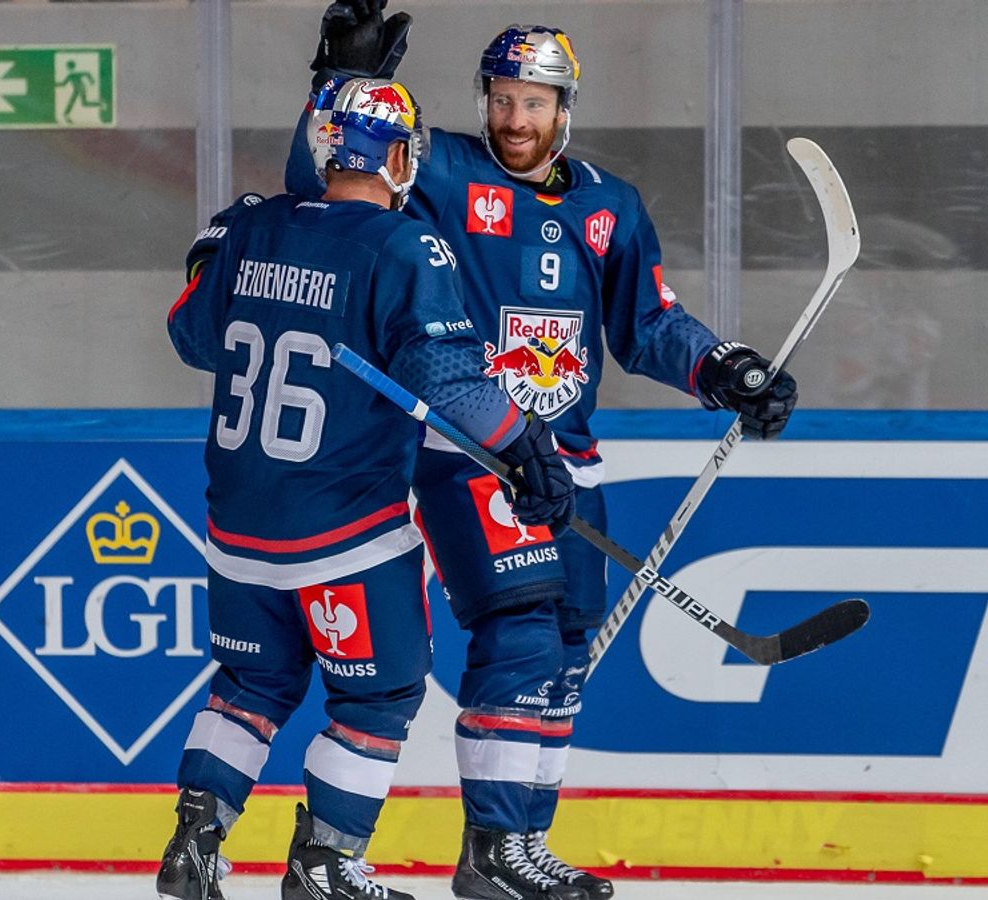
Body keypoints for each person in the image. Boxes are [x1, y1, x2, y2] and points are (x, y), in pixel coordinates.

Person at [287, 10, 800, 900]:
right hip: (473, 452)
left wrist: (728, 368)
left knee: (565, 652)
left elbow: (647, 326)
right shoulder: (439, 171)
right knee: (521, 631)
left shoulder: (610, 205)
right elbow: (326, 188)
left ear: (565, 108)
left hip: (568, 463)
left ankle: (523, 843)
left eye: (533, 103)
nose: (514, 119)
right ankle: (490, 850)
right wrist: (336, 83)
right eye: (501, 100)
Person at [157, 75, 574, 900]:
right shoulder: (403, 247)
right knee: (377, 695)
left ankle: (193, 841)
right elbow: (448, 383)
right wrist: (526, 447)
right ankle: (326, 862)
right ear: (396, 157)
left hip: (237, 527)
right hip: (345, 531)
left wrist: (208, 258)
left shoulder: (253, 225)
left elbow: (192, 336)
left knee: (249, 685)